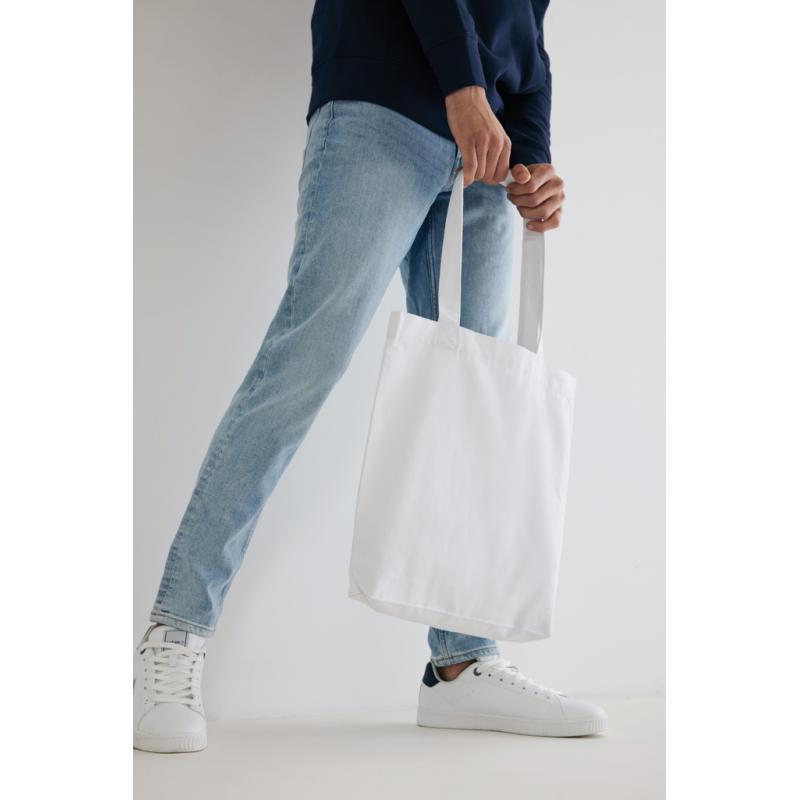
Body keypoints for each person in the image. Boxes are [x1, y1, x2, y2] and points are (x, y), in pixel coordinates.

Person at [133, 0, 607, 753]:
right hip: (387, 103)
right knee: (299, 371)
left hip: (490, 153)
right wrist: (463, 86)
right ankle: (175, 633)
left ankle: (462, 663)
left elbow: (527, 25)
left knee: (473, 404)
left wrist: (536, 153)